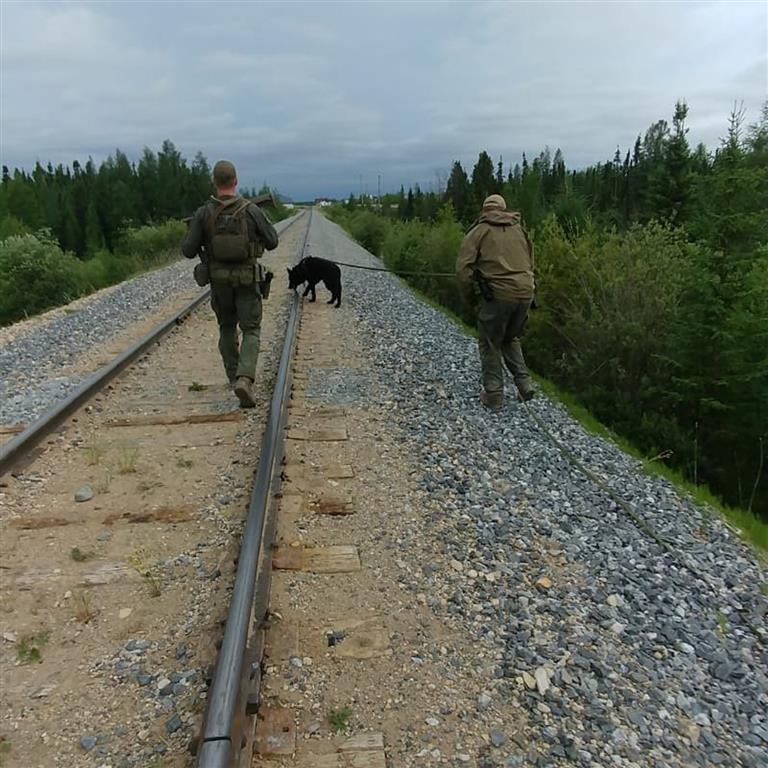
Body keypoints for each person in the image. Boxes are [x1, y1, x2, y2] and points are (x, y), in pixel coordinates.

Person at [182, 160, 278, 408]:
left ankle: (233, 375)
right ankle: (245, 379)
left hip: (219, 283)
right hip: (247, 280)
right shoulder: (251, 210)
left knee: (226, 327)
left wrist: (197, 227)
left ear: (215, 182)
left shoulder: (204, 213)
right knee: (251, 330)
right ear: (236, 182)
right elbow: (273, 241)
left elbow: (188, 250)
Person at [456, 194, 536, 411]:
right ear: (503, 209)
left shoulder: (479, 232)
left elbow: (463, 271)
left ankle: (494, 395)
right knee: (511, 337)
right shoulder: (519, 230)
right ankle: (524, 384)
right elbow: (531, 262)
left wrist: (470, 300)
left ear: (484, 211)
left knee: (490, 341)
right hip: (526, 292)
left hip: (499, 295)